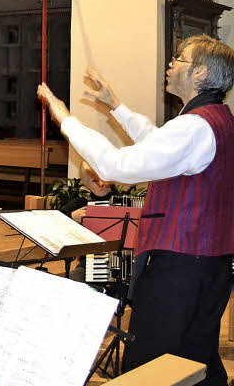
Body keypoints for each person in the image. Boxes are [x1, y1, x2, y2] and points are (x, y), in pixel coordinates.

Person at [37, 34, 234, 385]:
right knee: (196, 359)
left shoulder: (195, 126)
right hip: (210, 263)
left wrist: (65, 118)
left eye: (180, 58)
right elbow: (158, 141)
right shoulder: (215, 118)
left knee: (151, 366)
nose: (171, 64)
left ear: (201, 73)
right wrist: (116, 106)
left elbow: (114, 166)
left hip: (181, 266)